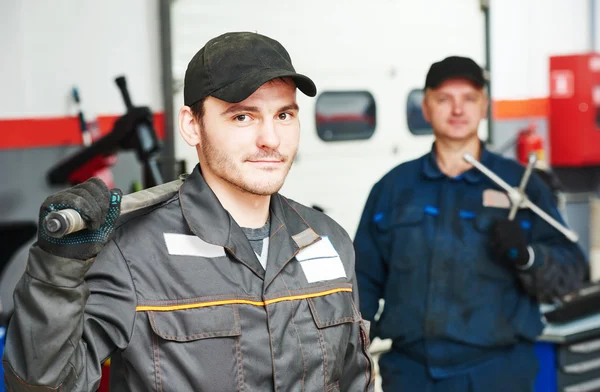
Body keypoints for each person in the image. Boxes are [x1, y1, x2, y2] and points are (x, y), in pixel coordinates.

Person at [3, 32, 375, 391]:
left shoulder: (328, 240)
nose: (271, 139)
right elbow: (44, 386)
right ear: (192, 125)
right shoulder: (133, 253)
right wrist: (56, 271)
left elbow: (356, 379)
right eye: (242, 117)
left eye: (283, 115)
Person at [354, 56, 587, 391]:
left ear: (484, 106)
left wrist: (528, 256)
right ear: (426, 106)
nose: (458, 110)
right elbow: (362, 279)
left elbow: (571, 273)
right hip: (411, 374)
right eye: (444, 99)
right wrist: (352, 349)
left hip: (498, 372)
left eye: (469, 99)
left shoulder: (520, 187)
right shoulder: (394, 189)